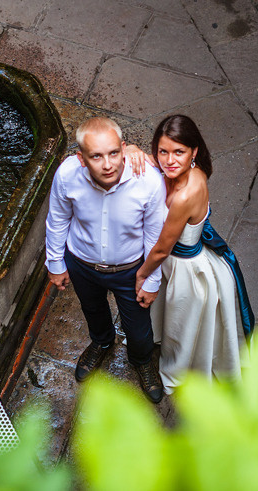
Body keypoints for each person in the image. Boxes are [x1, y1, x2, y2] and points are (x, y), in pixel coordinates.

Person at [44, 116, 166, 403]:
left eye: (113, 153)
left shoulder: (148, 180)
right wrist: (55, 264)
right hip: (82, 264)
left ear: (124, 148)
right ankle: (101, 342)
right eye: (96, 156)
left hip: (130, 271)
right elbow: (57, 220)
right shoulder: (67, 175)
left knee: (138, 328)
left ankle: (142, 360)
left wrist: (151, 280)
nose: (108, 164)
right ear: (81, 158)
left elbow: (154, 237)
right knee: (93, 309)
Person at [132, 115, 254, 394]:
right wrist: (132, 150)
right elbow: (154, 162)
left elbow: (162, 249)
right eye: (163, 151)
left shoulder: (185, 196)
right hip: (182, 258)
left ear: (193, 152)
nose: (169, 160)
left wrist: (141, 275)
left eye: (179, 152)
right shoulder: (193, 170)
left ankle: (175, 369)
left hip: (184, 269)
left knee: (179, 327)